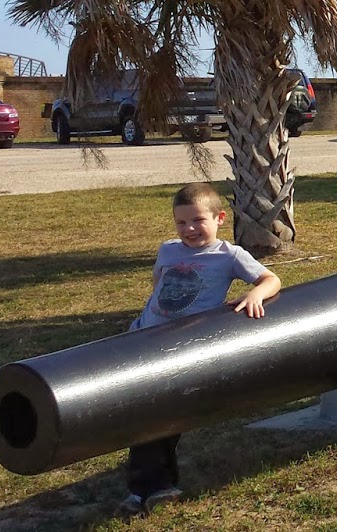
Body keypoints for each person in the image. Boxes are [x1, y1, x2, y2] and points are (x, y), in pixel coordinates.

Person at [118, 182, 281, 517]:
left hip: (182, 348)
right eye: (181, 223)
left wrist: (255, 294)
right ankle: (151, 486)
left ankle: (146, 489)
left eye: (197, 220)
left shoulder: (229, 255)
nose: (189, 229)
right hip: (145, 339)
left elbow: (270, 280)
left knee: (156, 413)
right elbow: (158, 285)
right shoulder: (168, 250)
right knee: (143, 412)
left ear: (219, 218)